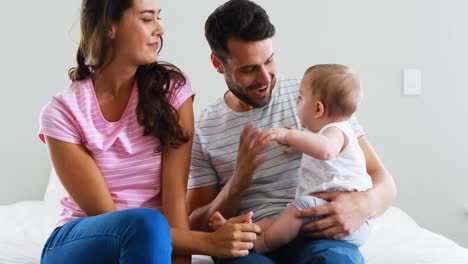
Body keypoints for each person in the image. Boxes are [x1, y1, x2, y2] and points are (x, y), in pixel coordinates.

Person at [38, 0, 260, 263]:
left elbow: (175, 203)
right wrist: (209, 242)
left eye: (158, 17)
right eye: (147, 19)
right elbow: (109, 221)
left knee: (152, 226)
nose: (160, 29)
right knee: (148, 223)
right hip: (81, 244)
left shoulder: (172, 93)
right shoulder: (63, 112)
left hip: (149, 245)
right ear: (111, 27)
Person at [187, 0, 397, 263]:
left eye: (269, 60)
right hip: (252, 240)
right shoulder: (206, 128)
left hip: (318, 233)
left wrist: (364, 204)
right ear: (218, 64)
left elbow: (382, 180)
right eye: (250, 69)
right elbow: (196, 225)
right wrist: (238, 182)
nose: (265, 78)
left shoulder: (314, 98)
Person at [209, 64, 373, 253]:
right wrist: (300, 143)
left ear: (318, 109)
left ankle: (264, 244)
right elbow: (318, 145)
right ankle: (235, 230)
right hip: (323, 208)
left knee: (297, 209)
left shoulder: (337, 130)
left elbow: (326, 150)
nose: (296, 102)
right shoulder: (323, 132)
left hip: (347, 216)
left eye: (300, 99)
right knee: (281, 219)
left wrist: (289, 137)